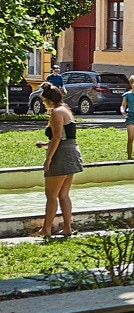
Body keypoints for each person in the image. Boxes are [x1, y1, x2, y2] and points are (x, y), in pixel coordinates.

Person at [34, 85, 80, 239]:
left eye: (44, 100)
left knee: (51, 195)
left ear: (48, 100)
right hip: (71, 153)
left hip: (61, 156)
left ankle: (46, 229)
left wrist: (48, 158)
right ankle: (67, 228)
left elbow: (58, 136)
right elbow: (67, 136)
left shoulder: (56, 112)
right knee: (63, 195)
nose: (43, 103)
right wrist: (45, 144)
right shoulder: (66, 110)